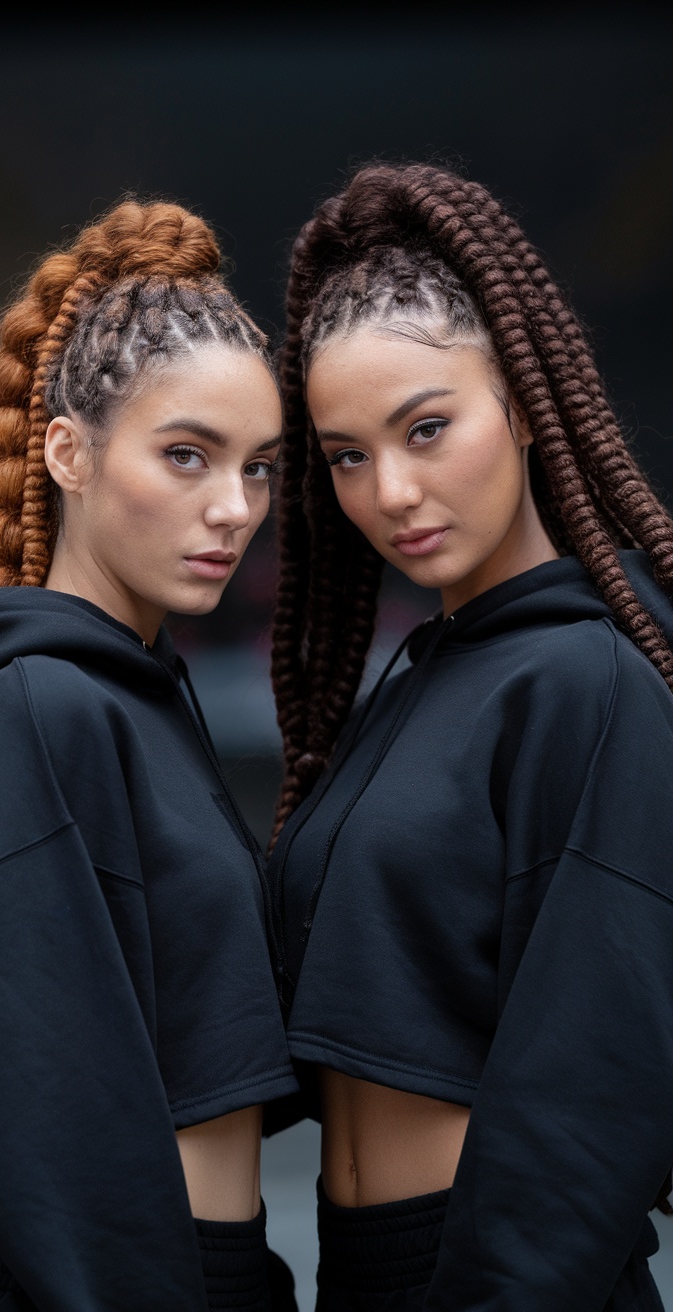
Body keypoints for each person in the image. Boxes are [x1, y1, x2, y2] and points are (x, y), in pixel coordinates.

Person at [265, 160, 673, 1310]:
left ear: (528, 407)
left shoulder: (587, 680)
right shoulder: (414, 684)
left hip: (508, 1280)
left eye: (427, 427)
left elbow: (593, 1090)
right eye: (346, 454)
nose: (390, 490)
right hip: (366, 1271)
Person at [0, 197, 300, 1311]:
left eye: (258, 466)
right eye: (186, 455)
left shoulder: (134, 692)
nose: (232, 507)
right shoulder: (40, 705)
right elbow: (37, 1119)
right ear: (68, 453)